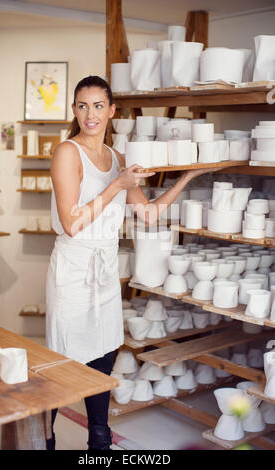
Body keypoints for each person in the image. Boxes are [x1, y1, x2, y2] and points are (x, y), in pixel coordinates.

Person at [45, 75, 220, 450]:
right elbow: (73, 223)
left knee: (104, 354)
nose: (89, 113)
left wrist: (186, 177)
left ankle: (99, 438)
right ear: (74, 110)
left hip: (105, 268)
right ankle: (44, 436)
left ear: (111, 110)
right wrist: (116, 186)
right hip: (74, 269)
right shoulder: (66, 152)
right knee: (64, 360)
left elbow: (150, 215)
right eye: (81, 105)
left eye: (97, 105)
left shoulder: (118, 159)